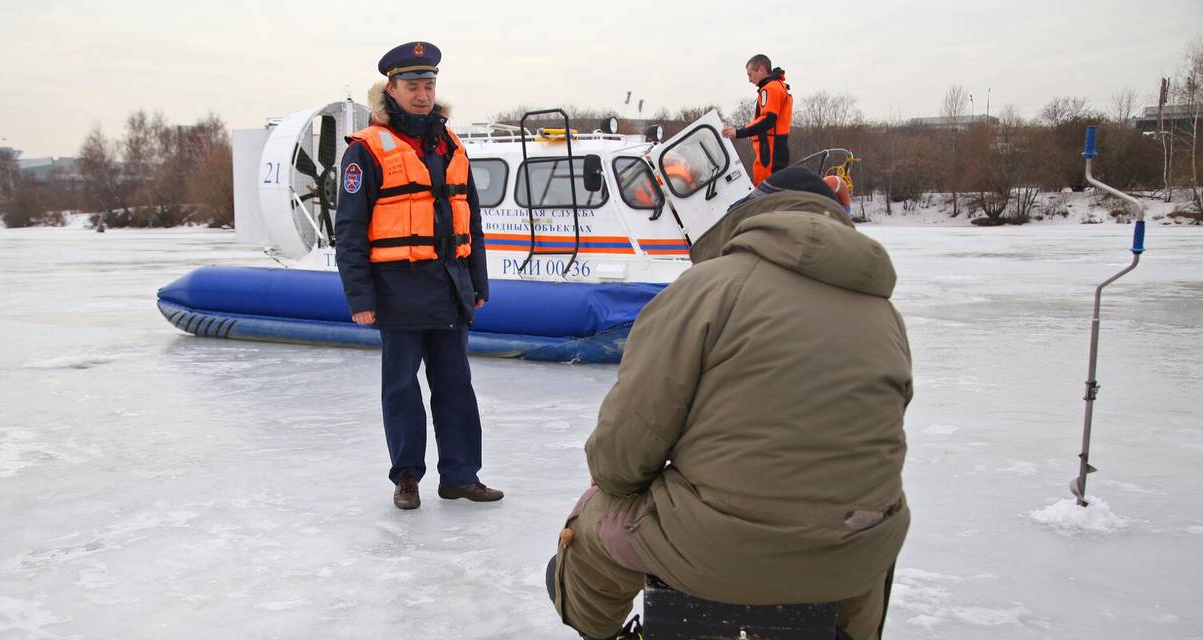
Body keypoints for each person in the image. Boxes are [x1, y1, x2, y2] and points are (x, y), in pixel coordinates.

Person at [546, 167, 912, 640]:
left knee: (597, 515)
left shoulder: (707, 288)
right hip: (851, 553)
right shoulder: (885, 314)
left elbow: (622, 454)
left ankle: (595, 627)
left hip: (715, 549)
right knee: (874, 529)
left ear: (756, 215)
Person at [334, 41, 503, 510]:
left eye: (429, 85)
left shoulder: (450, 145)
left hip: (450, 290)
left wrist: (478, 284)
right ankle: (406, 477)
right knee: (402, 391)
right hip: (397, 293)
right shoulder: (365, 150)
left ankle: (461, 476)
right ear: (392, 88)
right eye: (413, 86)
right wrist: (359, 298)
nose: (422, 94)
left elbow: (471, 219)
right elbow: (348, 232)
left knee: (456, 388)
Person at [723, 54, 793, 185]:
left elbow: (768, 120)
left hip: (770, 153)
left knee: (765, 193)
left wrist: (738, 132)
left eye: (750, 74)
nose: (749, 79)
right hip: (777, 149)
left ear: (761, 69)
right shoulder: (778, 86)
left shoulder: (770, 88)